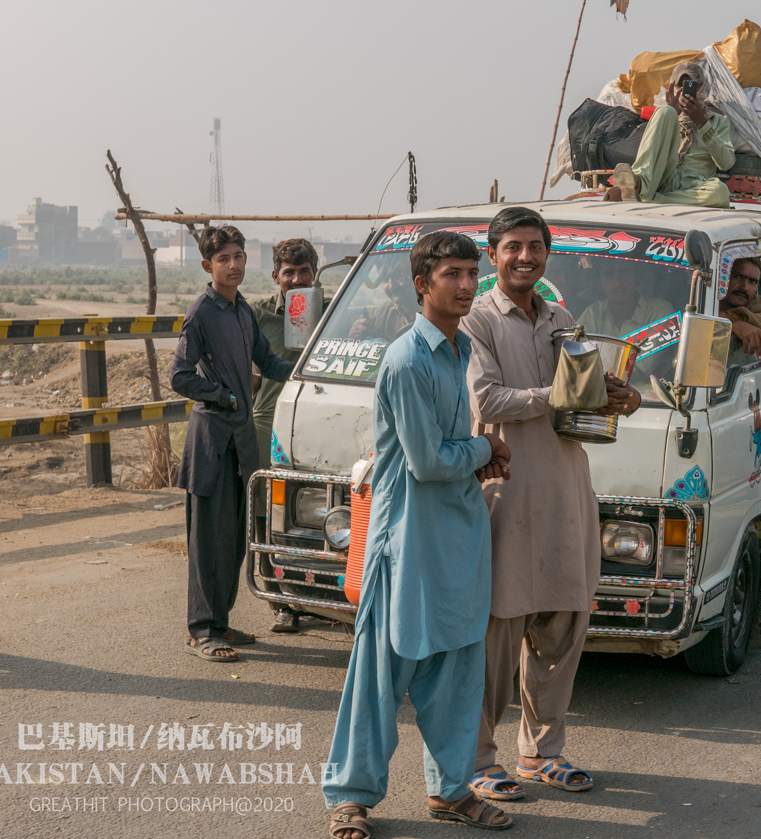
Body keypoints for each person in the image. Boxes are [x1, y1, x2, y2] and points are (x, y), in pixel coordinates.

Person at [322, 231, 514, 838]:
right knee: (382, 678)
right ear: (421, 285)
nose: (465, 286)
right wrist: (486, 447)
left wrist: (475, 456)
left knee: (458, 672)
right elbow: (428, 461)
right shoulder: (407, 359)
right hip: (407, 545)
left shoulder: (457, 353)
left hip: (458, 538)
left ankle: (452, 792)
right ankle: (351, 796)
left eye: (470, 274)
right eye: (452, 274)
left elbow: (440, 456)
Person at [461, 207, 641, 802]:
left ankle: (542, 752)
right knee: (498, 632)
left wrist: (615, 399)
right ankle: (479, 758)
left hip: (566, 488)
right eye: (513, 246)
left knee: (564, 623)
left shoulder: (562, 319)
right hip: (504, 490)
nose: (525, 257)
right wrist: (563, 391)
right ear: (493, 255)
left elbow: (577, 412)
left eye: (535, 247)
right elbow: (488, 397)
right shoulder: (476, 320)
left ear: (547, 254)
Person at [170, 225, 296, 662]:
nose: (234, 265)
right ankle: (202, 631)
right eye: (224, 259)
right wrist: (221, 394)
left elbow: (270, 360)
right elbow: (179, 375)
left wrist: (308, 370)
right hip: (211, 441)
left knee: (234, 537)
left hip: (240, 442)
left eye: (239, 256)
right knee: (208, 537)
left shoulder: (241, 309)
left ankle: (219, 621)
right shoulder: (201, 311)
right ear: (208, 266)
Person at [253, 238, 317, 633]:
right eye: (288, 272)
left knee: (311, 512)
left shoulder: (331, 311)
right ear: (276, 275)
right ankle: (281, 600)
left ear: (315, 272)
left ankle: (319, 593)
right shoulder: (258, 314)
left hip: (315, 420)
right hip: (268, 421)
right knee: (267, 513)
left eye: (304, 271)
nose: (296, 279)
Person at [606, 62, 734, 207]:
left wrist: (702, 123)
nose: (686, 91)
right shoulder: (666, 118)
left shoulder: (717, 122)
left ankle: (653, 199)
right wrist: (673, 113)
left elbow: (726, 163)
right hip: (664, 179)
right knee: (664, 111)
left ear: (701, 87)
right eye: (681, 85)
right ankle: (639, 183)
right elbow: (654, 152)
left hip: (695, 186)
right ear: (673, 88)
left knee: (720, 192)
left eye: (692, 86)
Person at [578, 258, 672, 337]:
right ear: (600, 283)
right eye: (609, 275)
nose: (618, 283)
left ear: (637, 278)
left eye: (625, 273)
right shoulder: (592, 315)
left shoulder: (659, 313)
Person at [718, 256, 761, 358]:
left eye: (752, 281)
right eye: (737, 277)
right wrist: (730, 324)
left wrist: (737, 320)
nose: (745, 287)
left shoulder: (756, 303)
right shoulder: (700, 295)